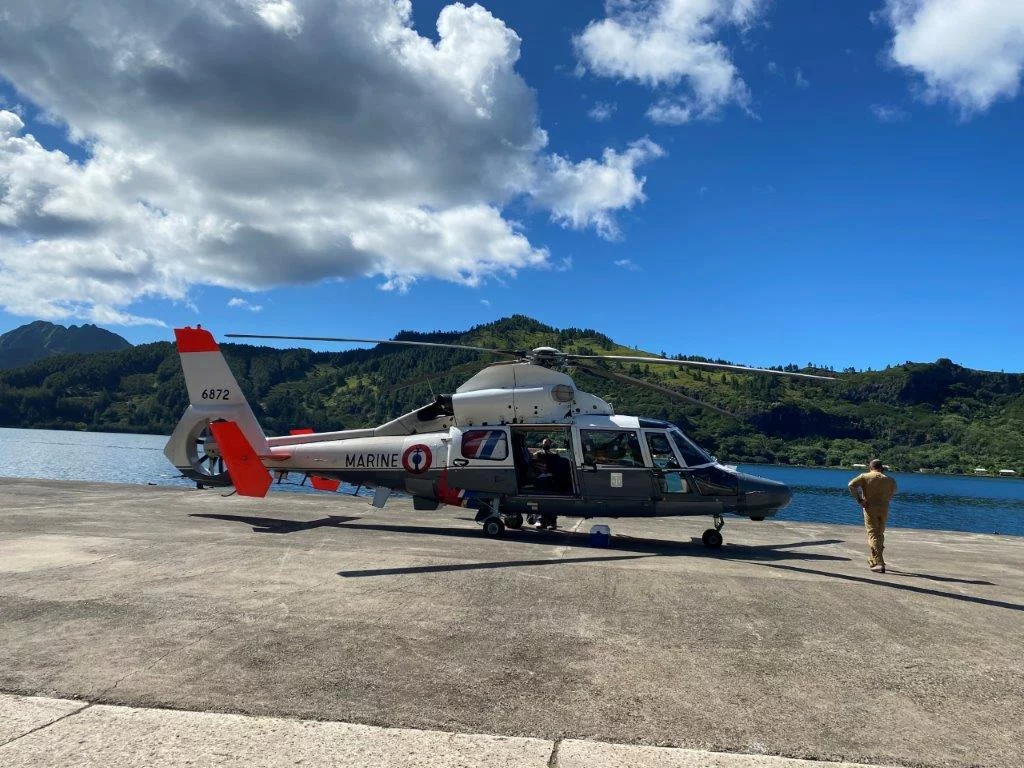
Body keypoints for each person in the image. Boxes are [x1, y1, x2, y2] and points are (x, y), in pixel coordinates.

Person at [848, 459, 897, 573]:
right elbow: (894, 491)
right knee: (879, 534)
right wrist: (885, 499)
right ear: (882, 468)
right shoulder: (890, 480)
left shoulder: (865, 476)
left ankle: (879, 562)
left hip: (870, 507)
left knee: (873, 534)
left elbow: (851, 485)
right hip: (884, 508)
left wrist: (859, 499)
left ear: (870, 467)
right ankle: (875, 559)